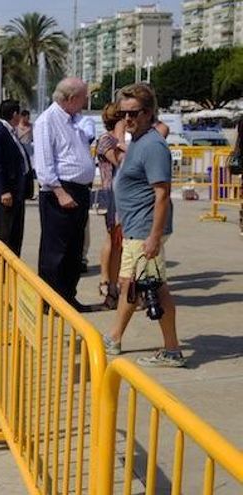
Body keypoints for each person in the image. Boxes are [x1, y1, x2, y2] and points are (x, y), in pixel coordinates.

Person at [103, 83, 185, 368]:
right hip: (135, 226)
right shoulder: (137, 140)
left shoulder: (152, 145)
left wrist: (153, 236)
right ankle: (115, 337)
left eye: (133, 113)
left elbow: (162, 195)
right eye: (122, 114)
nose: (126, 119)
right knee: (132, 284)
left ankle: (172, 349)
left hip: (146, 228)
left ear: (148, 113)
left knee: (153, 286)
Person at [33, 78, 94, 311]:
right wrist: (59, 192)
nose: (86, 100)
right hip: (60, 191)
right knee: (55, 249)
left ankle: (68, 296)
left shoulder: (74, 120)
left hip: (78, 189)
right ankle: (50, 301)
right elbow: (44, 164)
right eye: (83, 96)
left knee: (74, 249)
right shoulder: (47, 121)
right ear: (70, 98)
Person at [0, 99, 31, 256]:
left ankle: (13, 265)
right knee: (6, 233)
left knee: (16, 232)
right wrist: (3, 190)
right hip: (7, 192)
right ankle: (3, 268)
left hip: (18, 190)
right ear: (15, 114)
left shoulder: (11, 132)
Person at [96, 103, 125, 309]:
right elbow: (119, 162)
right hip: (112, 194)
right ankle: (107, 282)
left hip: (121, 195)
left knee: (116, 240)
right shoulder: (107, 140)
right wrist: (122, 138)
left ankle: (111, 282)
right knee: (114, 240)